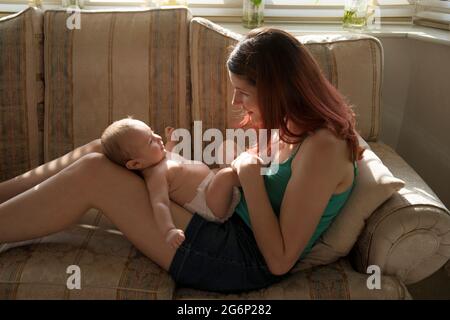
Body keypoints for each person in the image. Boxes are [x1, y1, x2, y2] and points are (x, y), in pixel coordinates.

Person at [0, 27, 363, 293]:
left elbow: (280, 260)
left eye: (243, 93)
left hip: (238, 258)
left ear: (276, 90)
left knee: (95, 173)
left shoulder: (323, 148)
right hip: (225, 223)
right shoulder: (291, 124)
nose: (237, 104)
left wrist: (249, 177)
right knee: (107, 147)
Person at [100, 117, 242, 249]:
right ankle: (253, 177)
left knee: (227, 147)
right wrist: (169, 230)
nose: (158, 137)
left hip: (212, 183)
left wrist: (171, 142)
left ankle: (247, 167)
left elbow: (169, 153)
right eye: (150, 141)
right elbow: (159, 203)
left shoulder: (158, 157)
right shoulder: (156, 176)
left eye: (153, 132)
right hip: (212, 205)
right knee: (226, 175)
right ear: (136, 163)